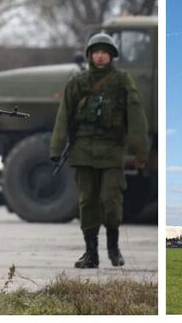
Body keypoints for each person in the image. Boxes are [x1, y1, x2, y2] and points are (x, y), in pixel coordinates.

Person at [50, 32, 149, 268]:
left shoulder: (123, 81)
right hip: (83, 150)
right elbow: (63, 115)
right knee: (87, 202)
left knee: (111, 200)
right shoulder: (78, 82)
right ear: (90, 56)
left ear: (111, 55)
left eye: (105, 52)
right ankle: (90, 253)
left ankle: (113, 249)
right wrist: (56, 147)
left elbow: (136, 116)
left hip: (111, 150)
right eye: (96, 52)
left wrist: (140, 151)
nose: (101, 56)